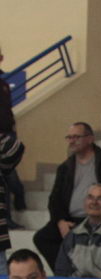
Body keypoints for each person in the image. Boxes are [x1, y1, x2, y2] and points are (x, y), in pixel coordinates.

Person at [33, 122, 101, 270]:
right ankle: (64, 274)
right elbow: (54, 199)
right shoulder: (65, 167)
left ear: (90, 138)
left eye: (76, 137)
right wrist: (60, 222)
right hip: (70, 220)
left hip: (97, 217)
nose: (72, 141)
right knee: (42, 238)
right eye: (69, 137)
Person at [0, 45, 26, 226]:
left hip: (7, 135)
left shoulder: (3, 84)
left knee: (8, 175)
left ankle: (19, 194)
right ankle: (7, 217)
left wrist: (13, 132)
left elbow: (7, 110)